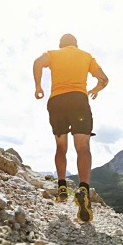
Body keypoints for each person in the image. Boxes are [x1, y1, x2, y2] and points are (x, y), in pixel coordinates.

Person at [33, 33, 109, 222]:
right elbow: (104, 79)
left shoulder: (53, 54)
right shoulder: (86, 56)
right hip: (78, 100)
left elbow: (37, 63)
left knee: (61, 147)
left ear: (61, 45)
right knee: (83, 147)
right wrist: (95, 90)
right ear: (76, 45)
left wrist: (38, 87)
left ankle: (62, 189)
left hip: (56, 102)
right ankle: (83, 189)